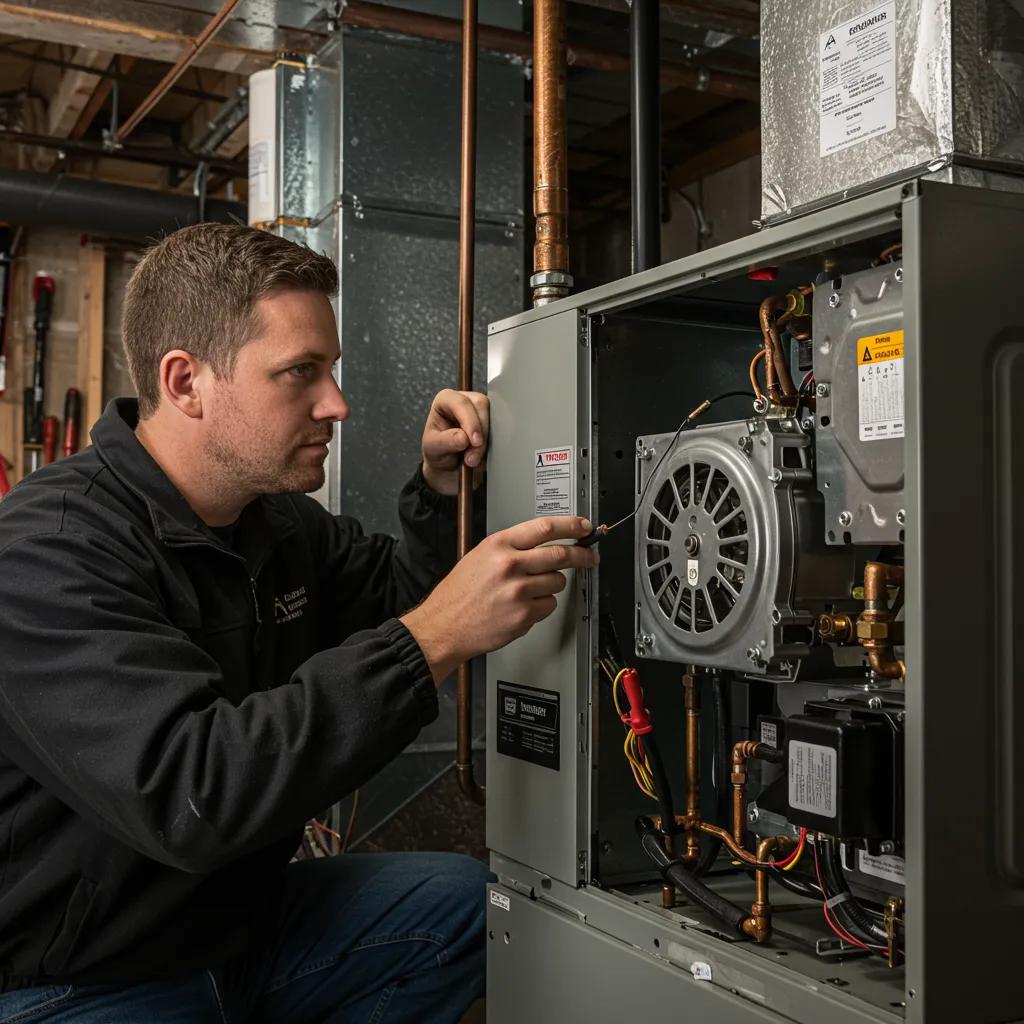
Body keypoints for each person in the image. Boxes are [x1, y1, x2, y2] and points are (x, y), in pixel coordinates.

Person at [0, 224, 598, 1022]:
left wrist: (441, 492)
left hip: (234, 930)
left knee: (466, 909)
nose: (337, 404)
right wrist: (433, 640)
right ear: (186, 383)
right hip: (80, 977)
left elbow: (402, 594)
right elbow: (191, 793)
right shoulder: (48, 551)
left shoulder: (273, 523)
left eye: (333, 370)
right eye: (300, 374)